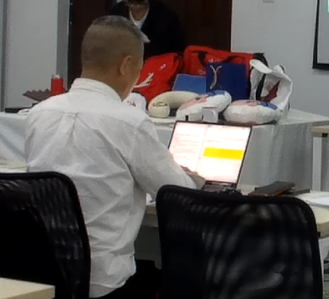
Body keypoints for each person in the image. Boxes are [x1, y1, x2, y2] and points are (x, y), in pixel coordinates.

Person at [26, 16, 200, 299]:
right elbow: (178, 195)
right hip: (103, 284)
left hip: (44, 275)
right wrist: (194, 179)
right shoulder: (129, 122)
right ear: (126, 65)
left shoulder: (39, 114)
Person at [108, 0, 185, 58]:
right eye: (130, 3)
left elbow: (177, 51)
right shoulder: (115, 14)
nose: (135, 7)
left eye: (141, 4)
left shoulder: (166, 17)